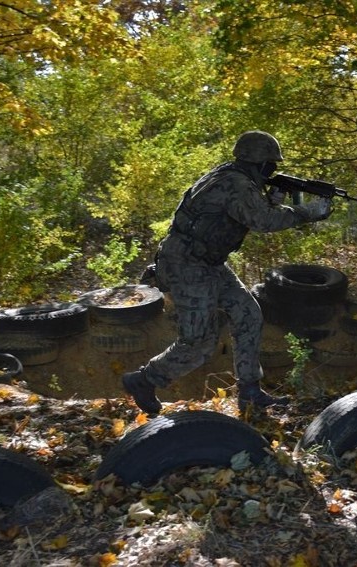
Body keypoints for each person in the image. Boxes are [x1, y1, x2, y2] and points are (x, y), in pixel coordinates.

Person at [122, 131, 332, 416]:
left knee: (248, 312)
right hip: (187, 265)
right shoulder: (235, 183)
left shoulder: (230, 176)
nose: (273, 170)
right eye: (271, 165)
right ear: (259, 163)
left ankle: (250, 392)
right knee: (199, 342)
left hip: (208, 263)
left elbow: (243, 213)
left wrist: (272, 199)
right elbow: (262, 221)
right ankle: (144, 380)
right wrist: (307, 212)